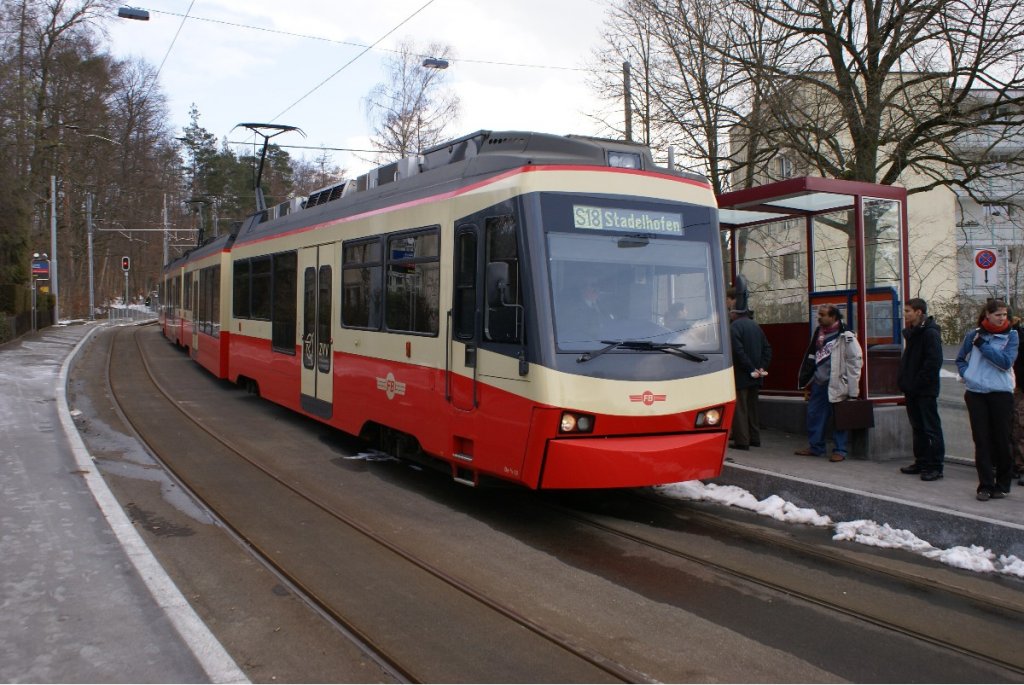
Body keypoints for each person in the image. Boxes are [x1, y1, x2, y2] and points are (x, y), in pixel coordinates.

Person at [955, 299, 1019, 501]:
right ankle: (985, 485)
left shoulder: (1012, 335)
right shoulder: (973, 335)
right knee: (981, 440)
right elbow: (960, 359)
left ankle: (1002, 484)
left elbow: (1005, 362)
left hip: (1000, 393)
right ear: (987, 315)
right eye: (998, 314)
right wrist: (968, 374)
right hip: (976, 393)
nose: (1002, 318)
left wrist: (983, 346)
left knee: (1002, 439)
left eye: (1005, 315)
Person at [795, 304, 863, 462]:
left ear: (833, 317)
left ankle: (840, 450)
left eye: (823, 315)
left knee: (839, 418)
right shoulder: (818, 333)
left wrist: (853, 389)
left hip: (837, 383)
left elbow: (855, 362)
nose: (819, 317)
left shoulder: (846, 335)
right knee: (814, 415)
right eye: (819, 314)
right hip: (820, 382)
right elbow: (812, 356)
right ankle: (816, 447)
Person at [897, 298, 946, 481]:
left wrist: (918, 382)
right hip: (913, 388)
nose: (906, 314)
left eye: (908, 311)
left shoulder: (930, 333)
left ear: (919, 312)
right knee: (918, 427)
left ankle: (935, 466)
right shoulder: (914, 333)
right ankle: (922, 461)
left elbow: (933, 362)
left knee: (930, 427)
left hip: (925, 390)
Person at [726, 288, 771, 450]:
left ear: (734, 314)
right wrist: (760, 368)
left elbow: (738, 352)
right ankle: (755, 438)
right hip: (756, 376)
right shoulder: (755, 326)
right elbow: (767, 349)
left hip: (741, 376)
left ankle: (742, 441)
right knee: (753, 409)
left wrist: (750, 368)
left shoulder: (734, 328)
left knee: (740, 410)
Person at [1011, 315, 1024, 485]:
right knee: (1014, 425)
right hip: (1014, 386)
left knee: (1020, 425)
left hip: (1019, 386)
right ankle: (1016, 464)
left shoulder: (1018, 337)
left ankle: (1019, 465)